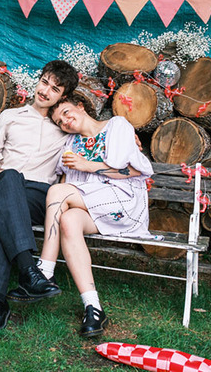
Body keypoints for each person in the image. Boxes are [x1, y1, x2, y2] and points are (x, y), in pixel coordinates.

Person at [0, 60, 79, 335]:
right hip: (1, 185)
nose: (45, 91)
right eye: (44, 82)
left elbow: (97, 134)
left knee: (3, 213)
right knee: (10, 180)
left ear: (63, 97)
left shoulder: (65, 127)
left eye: (54, 89)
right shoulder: (10, 117)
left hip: (37, 197)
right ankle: (29, 271)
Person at [35, 95, 154, 337]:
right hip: (92, 206)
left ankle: (44, 271)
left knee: (57, 192)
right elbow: (66, 180)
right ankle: (94, 308)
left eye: (67, 113)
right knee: (68, 221)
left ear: (81, 107)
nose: (65, 122)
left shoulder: (117, 126)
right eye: (59, 122)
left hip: (123, 202)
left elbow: (133, 170)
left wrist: (87, 165)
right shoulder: (70, 143)